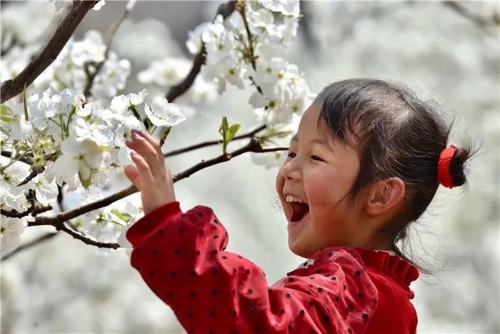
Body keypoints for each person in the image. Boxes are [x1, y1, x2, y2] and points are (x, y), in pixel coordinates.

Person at [123, 78, 473, 334]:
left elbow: (255, 321)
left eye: (315, 156)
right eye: (291, 152)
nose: (289, 168)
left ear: (381, 196)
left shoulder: (352, 289)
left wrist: (169, 228)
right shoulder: (385, 297)